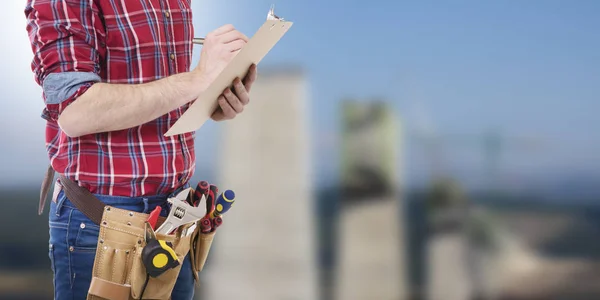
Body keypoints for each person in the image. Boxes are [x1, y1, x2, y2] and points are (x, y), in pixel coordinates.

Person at [24, 0, 257, 299]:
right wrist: (199, 78)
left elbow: (161, 86)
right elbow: (75, 111)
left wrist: (213, 98)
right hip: (99, 225)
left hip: (176, 218)